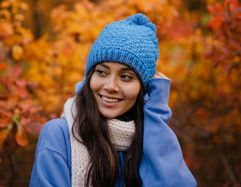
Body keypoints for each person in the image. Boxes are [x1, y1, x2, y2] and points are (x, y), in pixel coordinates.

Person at [30, 13, 197, 187]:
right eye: (101, 72)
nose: (111, 86)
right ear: (89, 78)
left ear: (142, 88)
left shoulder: (148, 139)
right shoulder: (59, 134)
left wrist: (155, 115)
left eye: (125, 77)